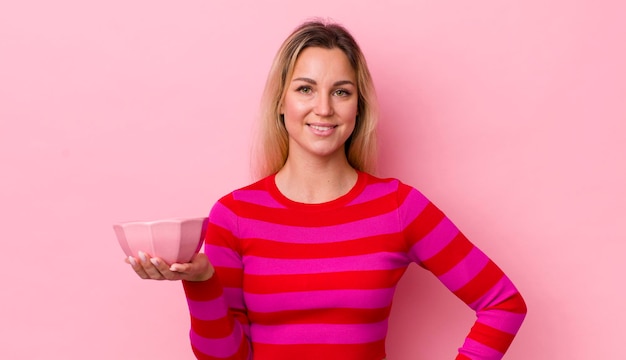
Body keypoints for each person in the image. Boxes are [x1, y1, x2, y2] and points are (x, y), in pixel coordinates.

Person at [127, 20, 527, 360]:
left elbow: (503, 304)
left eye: (341, 91)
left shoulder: (399, 207)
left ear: (358, 107)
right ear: (281, 102)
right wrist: (200, 282)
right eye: (305, 89)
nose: (324, 108)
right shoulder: (234, 215)